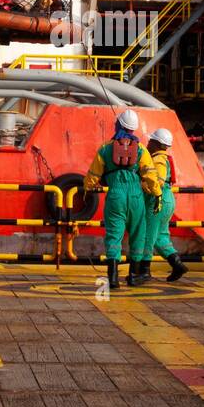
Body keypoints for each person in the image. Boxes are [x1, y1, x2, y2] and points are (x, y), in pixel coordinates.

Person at [83, 108, 162, 289]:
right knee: (138, 234)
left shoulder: (105, 148)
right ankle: (133, 276)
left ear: (118, 124)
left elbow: (93, 175)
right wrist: (157, 193)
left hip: (115, 196)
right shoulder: (141, 149)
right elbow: (150, 174)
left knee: (114, 234)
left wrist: (87, 187)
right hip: (136, 196)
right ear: (133, 129)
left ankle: (112, 278)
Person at [135, 127, 189, 283]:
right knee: (161, 236)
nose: (148, 143)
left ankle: (144, 271)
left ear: (157, 143)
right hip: (168, 199)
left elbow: (157, 181)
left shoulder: (158, 159)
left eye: (150, 140)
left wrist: (142, 185)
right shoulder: (165, 158)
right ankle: (177, 264)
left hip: (157, 200)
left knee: (147, 235)